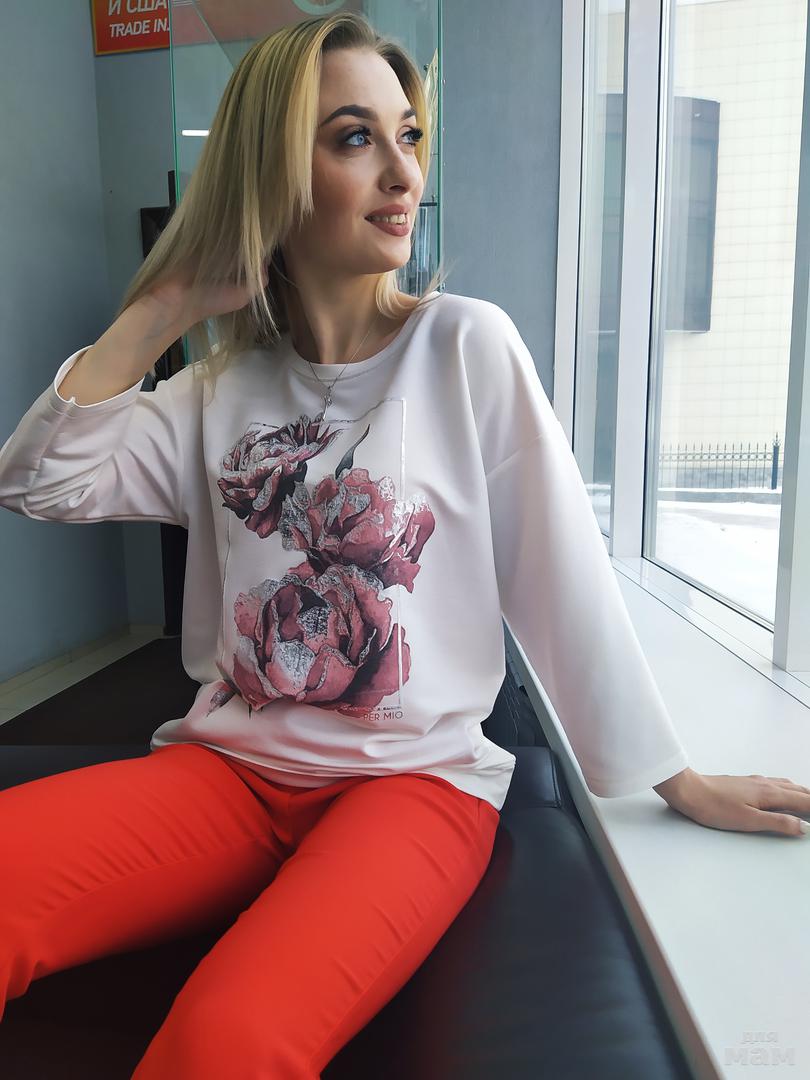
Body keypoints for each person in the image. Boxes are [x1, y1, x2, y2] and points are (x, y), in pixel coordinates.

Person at [0, 10, 808, 1078]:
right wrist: (167, 306)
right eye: (354, 138)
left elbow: (561, 570)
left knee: (225, 1043)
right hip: (226, 772)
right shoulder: (215, 391)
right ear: (272, 174)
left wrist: (675, 778)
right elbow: (36, 481)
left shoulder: (464, 344)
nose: (401, 172)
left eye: (408, 136)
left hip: (413, 790)